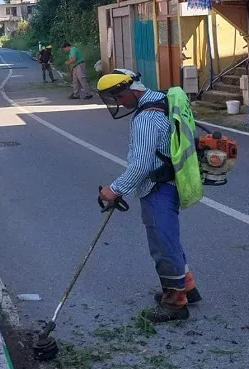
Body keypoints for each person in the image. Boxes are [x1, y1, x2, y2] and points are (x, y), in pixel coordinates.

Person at [95, 71, 202, 323]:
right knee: (170, 239)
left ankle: (175, 303)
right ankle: (187, 286)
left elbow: (141, 165)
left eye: (120, 96)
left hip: (157, 188)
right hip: (174, 180)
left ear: (134, 89)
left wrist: (115, 189)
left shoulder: (146, 119)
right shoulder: (166, 99)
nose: (120, 103)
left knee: (163, 246)